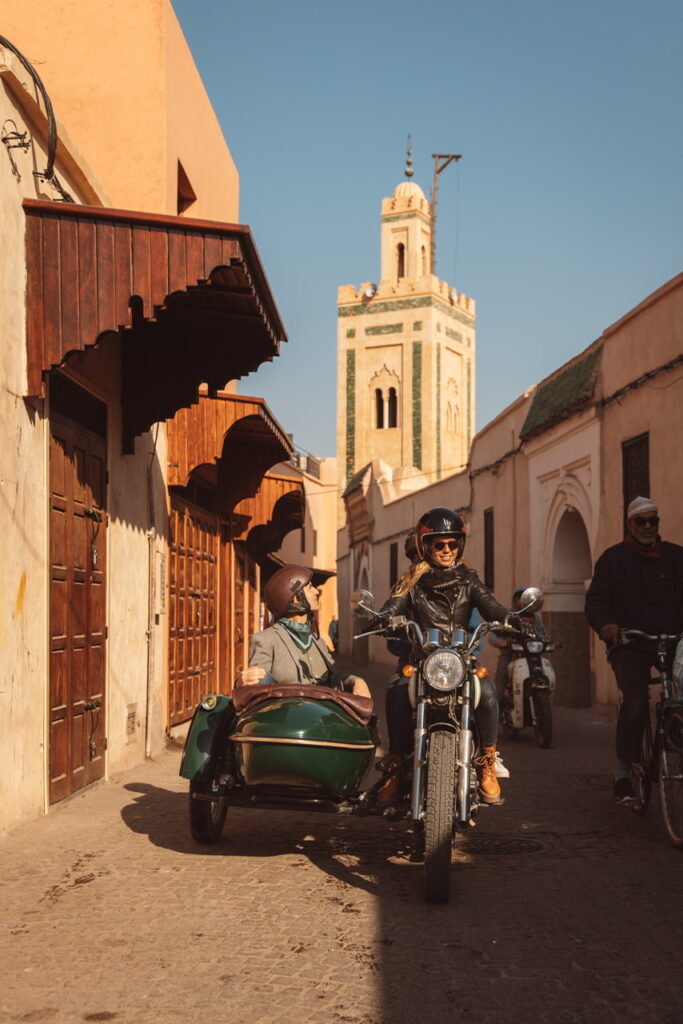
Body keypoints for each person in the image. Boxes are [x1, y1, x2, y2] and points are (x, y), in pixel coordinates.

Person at [375, 507, 515, 805]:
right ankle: (397, 765)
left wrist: (511, 618)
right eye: (439, 544)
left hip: (460, 661)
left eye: (453, 544)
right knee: (397, 690)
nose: (447, 550)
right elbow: (393, 606)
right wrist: (383, 617)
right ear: (426, 546)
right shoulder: (412, 584)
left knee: (488, 693)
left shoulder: (468, 579)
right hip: (424, 661)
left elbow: (491, 605)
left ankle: (486, 761)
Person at [585, 496, 683, 803]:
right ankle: (623, 770)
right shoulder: (612, 560)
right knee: (636, 702)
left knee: (680, 696)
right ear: (630, 524)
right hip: (630, 644)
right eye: (641, 521)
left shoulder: (676, 557)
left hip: (672, 641)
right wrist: (607, 627)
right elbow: (596, 602)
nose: (648, 527)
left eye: (653, 521)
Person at [239, 564, 371, 698]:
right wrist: (243, 681)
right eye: (309, 587)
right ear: (296, 599)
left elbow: (336, 677)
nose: (316, 591)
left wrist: (357, 681)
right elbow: (256, 690)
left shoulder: (317, 640)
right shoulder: (266, 640)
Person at [491, 585, 548, 703]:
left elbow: (543, 634)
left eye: (524, 598)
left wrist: (548, 642)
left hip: (531, 654)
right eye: (518, 598)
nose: (521, 601)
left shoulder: (535, 618)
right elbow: (493, 636)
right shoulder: (507, 616)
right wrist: (500, 642)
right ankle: (498, 705)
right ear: (514, 600)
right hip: (510, 654)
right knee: (502, 672)